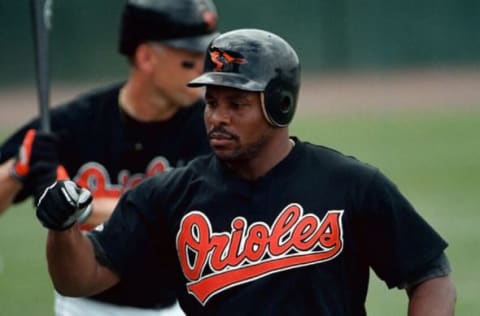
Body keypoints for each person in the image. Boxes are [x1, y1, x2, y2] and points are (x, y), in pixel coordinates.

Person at [35, 28, 456, 315]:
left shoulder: (349, 185)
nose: (218, 117)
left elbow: (429, 273)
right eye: (211, 103)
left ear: (280, 105)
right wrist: (63, 228)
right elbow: (82, 279)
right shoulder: (169, 195)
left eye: (236, 105)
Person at [0, 0, 219, 315]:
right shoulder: (74, 123)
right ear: (145, 57)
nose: (203, 72)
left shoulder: (210, 128)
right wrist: (19, 170)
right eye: (190, 61)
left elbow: (192, 216)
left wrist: (75, 207)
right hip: (84, 307)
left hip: (174, 306)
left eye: (206, 59)